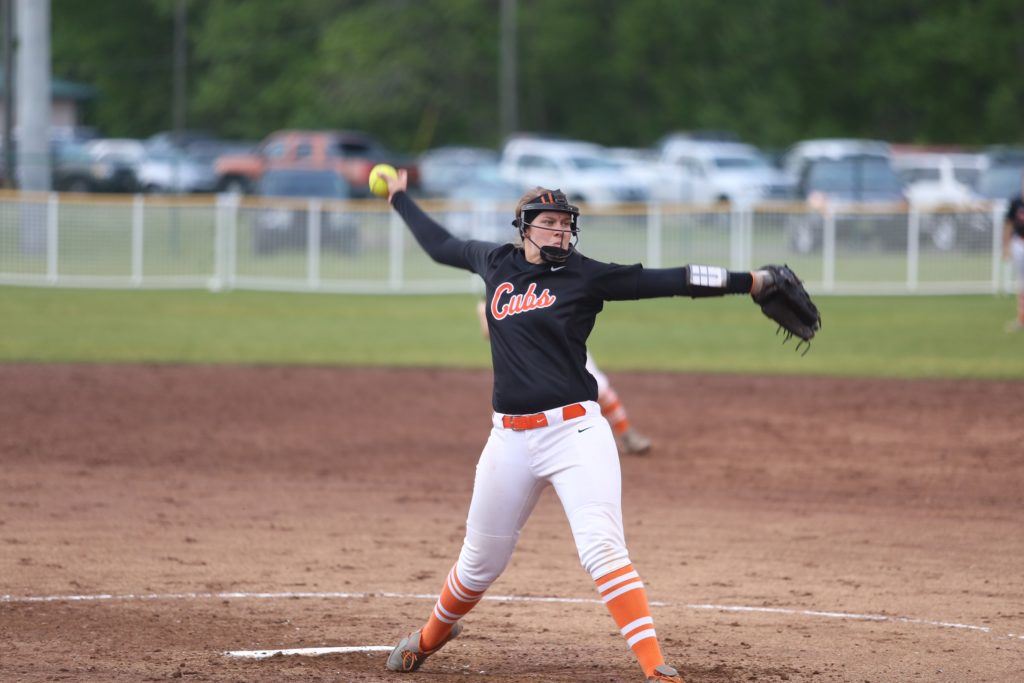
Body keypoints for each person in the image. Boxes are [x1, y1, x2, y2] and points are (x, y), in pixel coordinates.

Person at [379, 173, 809, 683]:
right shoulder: (494, 262)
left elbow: (673, 280)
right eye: (550, 224)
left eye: (567, 225)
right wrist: (399, 198)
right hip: (509, 438)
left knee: (601, 547)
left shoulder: (585, 276)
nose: (561, 233)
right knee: (478, 565)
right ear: (524, 229)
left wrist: (752, 281)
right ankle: (429, 638)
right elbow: (440, 246)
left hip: (575, 434)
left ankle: (655, 667)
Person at [476, 299, 653, 454]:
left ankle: (626, 434)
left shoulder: (550, 273)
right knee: (520, 399)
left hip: (563, 346)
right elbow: (487, 331)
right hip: (524, 355)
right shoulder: (497, 284)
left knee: (600, 388)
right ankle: (514, 446)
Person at [1003, 174, 1024, 332]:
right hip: (1019, 244)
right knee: (1022, 284)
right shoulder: (1016, 201)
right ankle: (1021, 319)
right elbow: (1009, 225)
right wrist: (1006, 247)